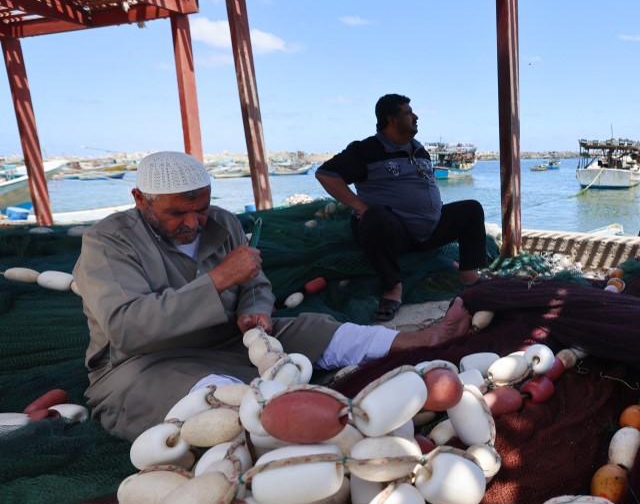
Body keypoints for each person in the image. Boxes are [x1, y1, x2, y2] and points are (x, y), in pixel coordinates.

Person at [74, 151, 470, 440]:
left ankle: (423, 340)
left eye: (201, 209)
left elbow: (256, 284)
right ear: (140, 199)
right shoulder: (107, 242)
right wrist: (217, 280)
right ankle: (299, 421)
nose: (193, 223)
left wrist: (255, 310)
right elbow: (128, 328)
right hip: (145, 363)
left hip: (228, 337)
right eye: (177, 214)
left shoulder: (223, 223)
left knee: (314, 327)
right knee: (214, 397)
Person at [316, 94, 487, 321]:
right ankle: (392, 288)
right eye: (408, 112)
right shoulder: (366, 150)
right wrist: (359, 206)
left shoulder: (419, 150)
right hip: (394, 234)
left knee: (471, 209)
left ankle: (469, 276)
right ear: (392, 120)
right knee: (374, 217)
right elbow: (326, 174)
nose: (415, 116)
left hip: (430, 230)